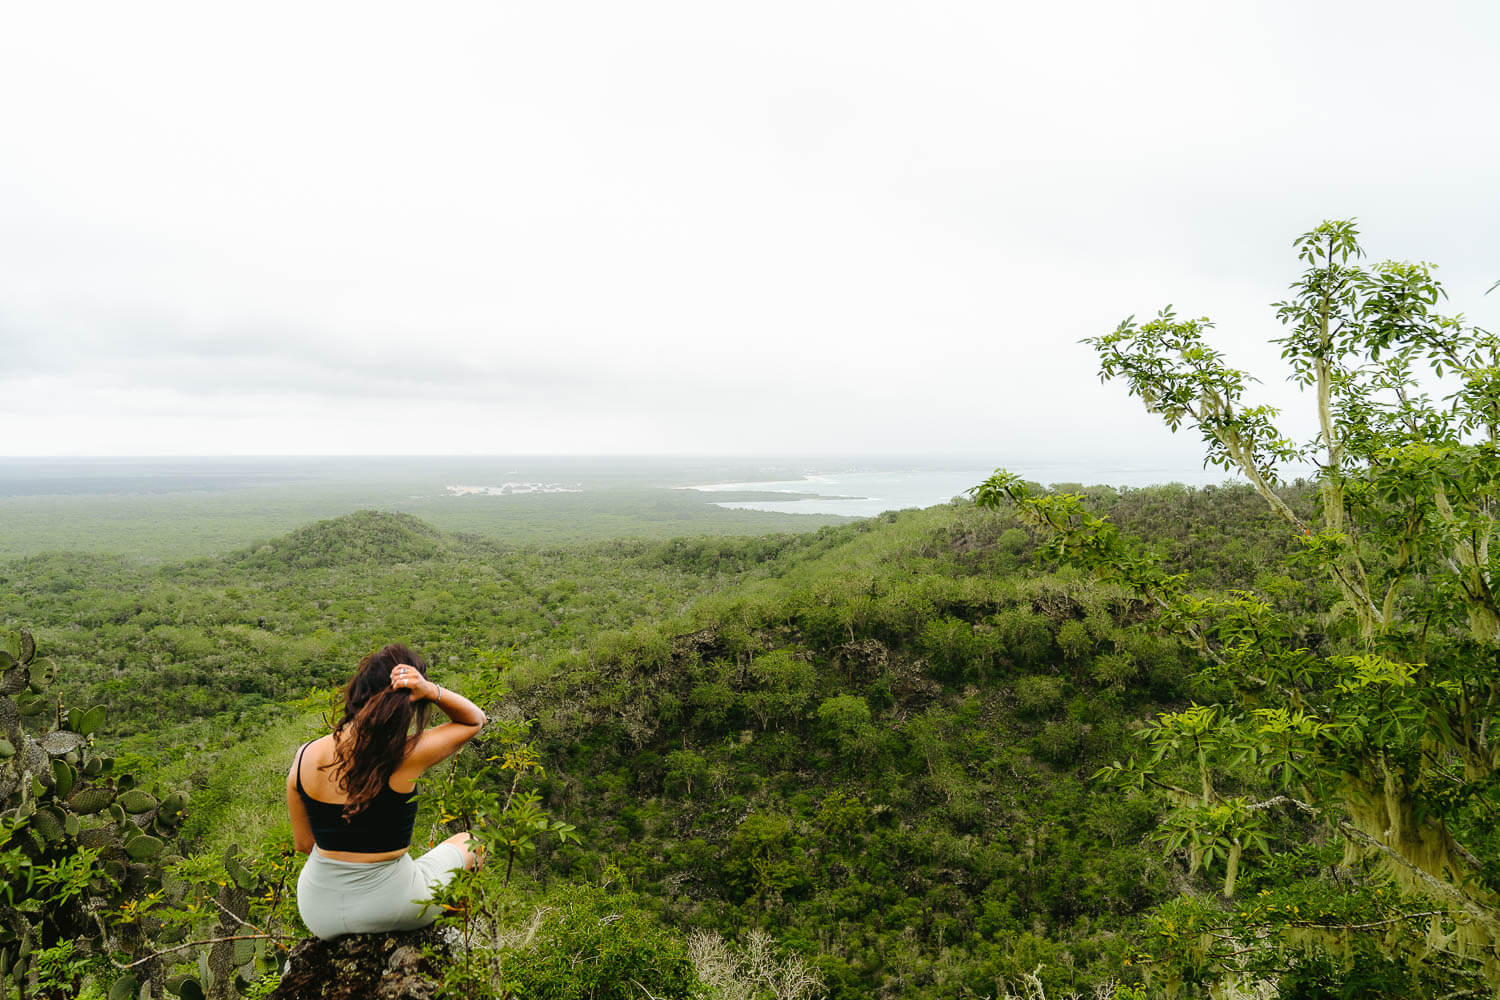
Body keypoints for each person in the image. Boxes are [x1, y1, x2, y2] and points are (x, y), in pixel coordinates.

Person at [287, 642, 487, 939]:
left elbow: (304, 844)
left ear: (357, 692)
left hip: (318, 912)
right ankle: (450, 933)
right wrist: (432, 691)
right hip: (391, 906)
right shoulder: (405, 756)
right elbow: (474, 720)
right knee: (472, 842)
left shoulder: (305, 756)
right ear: (408, 703)